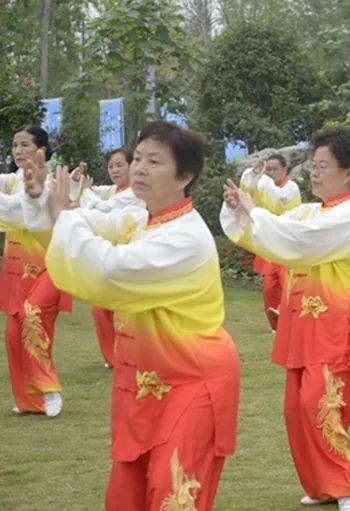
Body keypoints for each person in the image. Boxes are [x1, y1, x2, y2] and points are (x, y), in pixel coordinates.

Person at [28, 121, 241, 510]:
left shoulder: (185, 238)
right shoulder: (142, 218)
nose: (140, 168)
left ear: (185, 177)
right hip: (146, 381)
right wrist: (44, 195)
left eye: (155, 161)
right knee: (126, 494)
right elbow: (94, 221)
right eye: (138, 158)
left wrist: (64, 216)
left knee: (173, 493)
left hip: (192, 381)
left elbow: (109, 270)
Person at [221, 127, 350, 511]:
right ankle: (321, 486)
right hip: (303, 326)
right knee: (295, 409)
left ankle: (345, 486)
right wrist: (240, 207)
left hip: (338, 325)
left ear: (348, 172)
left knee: (319, 404)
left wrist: (253, 210)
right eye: (314, 166)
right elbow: (270, 233)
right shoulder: (309, 210)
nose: (315, 173)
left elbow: (299, 241)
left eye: (323, 166)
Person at [0, 125, 71, 417]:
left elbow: (18, 213)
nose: (18, 150)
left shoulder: (50, 184)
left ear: (41, 150)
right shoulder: (11, 181)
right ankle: (30, 401)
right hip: (17, 269)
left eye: (25, 144)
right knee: (13, 333)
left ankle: (48, 387)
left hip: (48, 265)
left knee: (34, 315)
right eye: (15, 145)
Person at [71, 148, 146, 368]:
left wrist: (86, 192)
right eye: (111, 166)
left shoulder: (134, 192)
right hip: (111, 256)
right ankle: (114, 357)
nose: (114, 170)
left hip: (129, 255)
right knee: (101, 309)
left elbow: (103, 208)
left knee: (121, 310)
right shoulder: (113, 190)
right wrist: (77, 179)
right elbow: (91, 193)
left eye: (120, 165)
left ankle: (129, 356)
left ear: (132, 167)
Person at [239, 154, 301, 331]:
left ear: (284, 170)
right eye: (269, 170)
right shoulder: (264, 186)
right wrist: (254, 174)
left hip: (286, 242)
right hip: (268, 242)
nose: (271, 173)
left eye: (275, 169)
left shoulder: (291, 188)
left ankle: (286, 316)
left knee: (287, 283)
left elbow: (281, 200)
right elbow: (247, 192)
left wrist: (264, 181)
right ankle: (276, 325)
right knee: (269, 287)